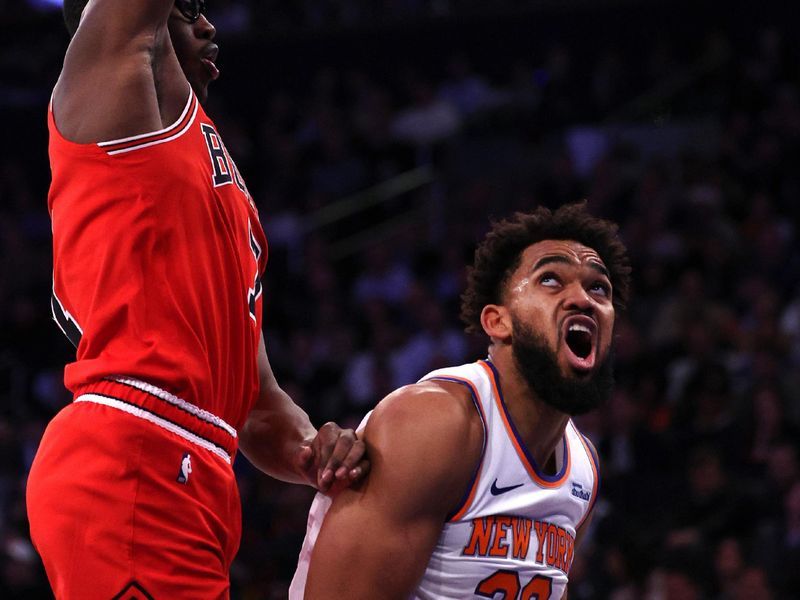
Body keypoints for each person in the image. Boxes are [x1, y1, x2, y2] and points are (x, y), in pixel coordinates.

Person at [25, 1, 367, 598]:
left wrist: (315, 452)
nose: (208, 26)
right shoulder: (104, 93)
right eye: (186, 11)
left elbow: (257, 405)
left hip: (196, 465)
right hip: (134, 447)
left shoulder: (225, 189)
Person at [290, 202, 631, 599]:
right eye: (552, 280)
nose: (582, 298)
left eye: (598, 288)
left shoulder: (583, 469)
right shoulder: (437, 423)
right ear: (497, 321)